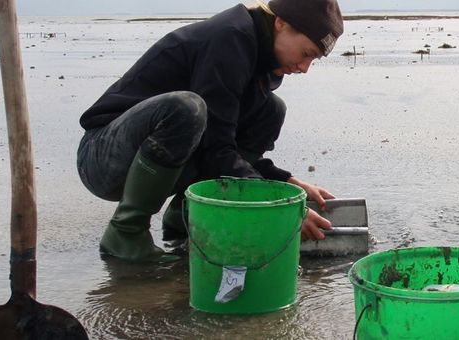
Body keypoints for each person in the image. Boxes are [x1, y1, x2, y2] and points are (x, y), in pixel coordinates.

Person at [76, 0, 344, 262]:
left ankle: (186, 216)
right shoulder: (230, 39)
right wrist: (282, 207)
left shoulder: (262, 58)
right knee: (186, 108)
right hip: (102, 157)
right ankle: (125, 233)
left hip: (158, 155)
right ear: (281, 23)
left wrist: (286, 181)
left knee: (272, 110)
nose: (304, 68)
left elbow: (223, 142)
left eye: (313, 60)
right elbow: (216, 149)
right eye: (306, 54)